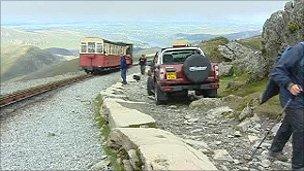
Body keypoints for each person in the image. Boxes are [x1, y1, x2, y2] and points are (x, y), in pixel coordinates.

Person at [268, 41, 304, 170]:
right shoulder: (298, 50)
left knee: (290, 123)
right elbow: (277, 71)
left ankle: (275, 150)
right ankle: (298, 166)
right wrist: (290, 85)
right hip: (290, 96)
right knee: (301, 127)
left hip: (302, 97)